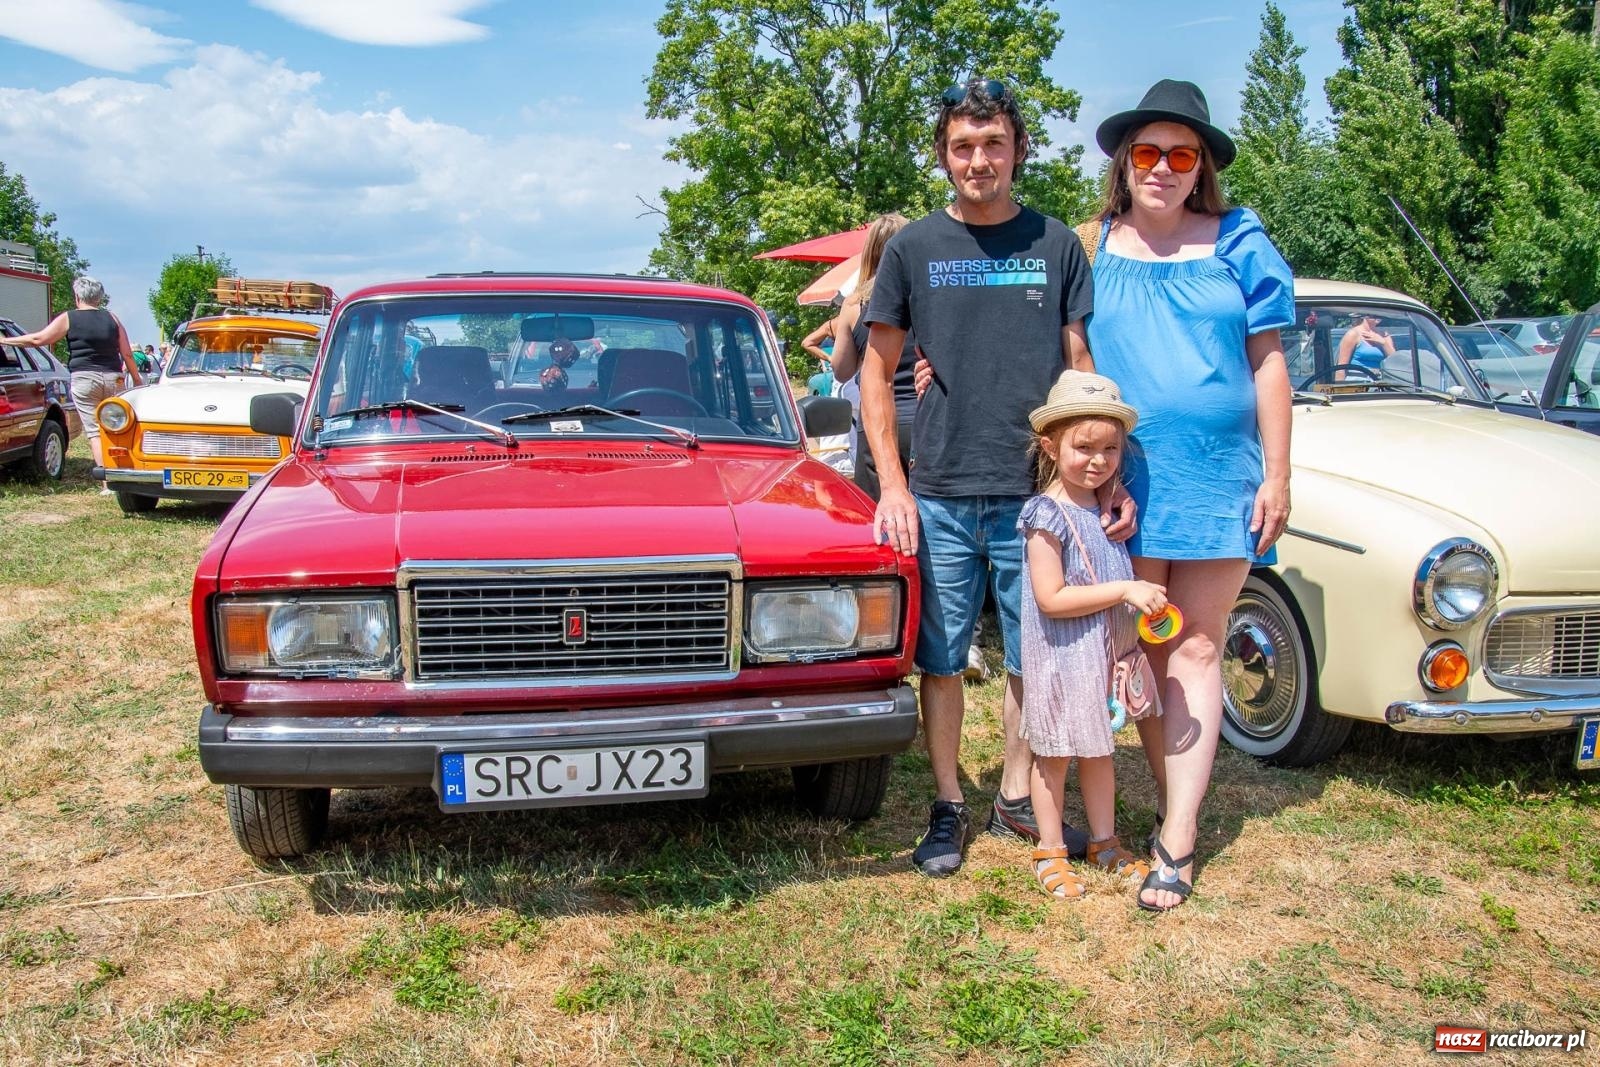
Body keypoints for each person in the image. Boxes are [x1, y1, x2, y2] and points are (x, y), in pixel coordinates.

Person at [859, 77, 1130, 878]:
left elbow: (1080, 363)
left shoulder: (1056, 244)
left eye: (993, 145)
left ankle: (1014, 796)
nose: (979, 160)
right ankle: (948, 802)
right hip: (940, 491)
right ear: (944, 156)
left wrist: (1101, 477)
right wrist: (893, 484)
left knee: (1031, 653)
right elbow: (874, 372)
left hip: (1035, 496)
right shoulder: (913, 249)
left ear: (1018, 151)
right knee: (942, 659)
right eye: (963, 147)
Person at [1082, 79, 1293, 910]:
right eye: (1147, 151)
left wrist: (1278, 475)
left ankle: (1177, 835)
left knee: (1199, 646)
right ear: (1124, 162)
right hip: (1123, 482)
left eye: (1181, 154)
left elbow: (1269, 364)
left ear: (1202, 165)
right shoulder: (1093, 245)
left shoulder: (1241, 239)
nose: (1162, 168)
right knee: (1142, 645)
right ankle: (1175, 795)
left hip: (1217, 480)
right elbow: (1061, 351)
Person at [1020, 371, 1161, 898]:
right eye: (1084, 448)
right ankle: (1050, 849)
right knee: (1054, 755)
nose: (1098, 461)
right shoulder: (1046, 515)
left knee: (1100, 750)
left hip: (1101, 660)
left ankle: (1105, 842)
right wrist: (1125, 588)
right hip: (1063, 661)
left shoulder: (1104, 510)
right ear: (1050, 447)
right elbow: (1051, 598)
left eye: (1110, 449)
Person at [0, 276, 142, 492]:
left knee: (95, 432)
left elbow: (38, 340)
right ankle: (126, 477)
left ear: (77, 297)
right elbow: (127, 353)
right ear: (99, 297)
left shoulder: (69, 318)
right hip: (114, 378)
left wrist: (5, 340)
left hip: (85, 379)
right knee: (118, 428)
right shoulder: (112, 318)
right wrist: (137, 380)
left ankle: (108, 484)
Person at [829, 213, 915, 500]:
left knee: (880, 513)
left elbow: (841, 370)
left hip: (876, 425)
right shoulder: (923, 298)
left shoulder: (855, 304)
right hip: (923, 421)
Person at [1336, 313, 1393, 379]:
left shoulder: (1385, 335)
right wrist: (1339, 384)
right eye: (1374, 315)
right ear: (1365, 316)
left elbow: (1394, 360)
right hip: (1357, 381)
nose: (1378, 317)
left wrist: (1383, 343)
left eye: (1380, 314)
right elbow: (1341, 367)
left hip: (1379, 381)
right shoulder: (1353, 334)